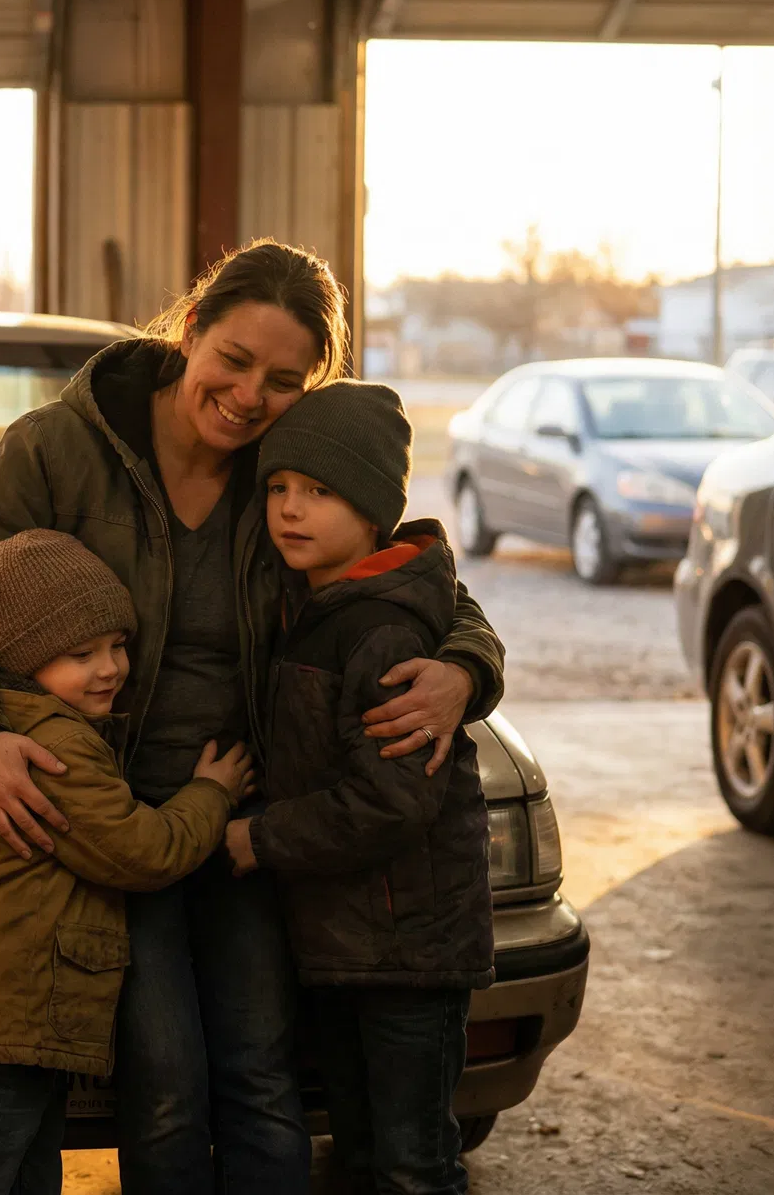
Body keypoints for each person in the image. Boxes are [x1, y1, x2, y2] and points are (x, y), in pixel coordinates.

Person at [0, 239, 506, 1192]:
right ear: (190, 331)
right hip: (115, 822)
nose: (249, 394)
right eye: (234, 359)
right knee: (166, 1082)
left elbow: (407, 575)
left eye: (283, 379)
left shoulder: (292, 465)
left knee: (261, 1078)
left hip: (250, 820)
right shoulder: (63, 448)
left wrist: (467, 667)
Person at [0, 528, 256, 1195]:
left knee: (23, 1177)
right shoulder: (51, 747)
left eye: (117, 645)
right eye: (81, 654)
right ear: (23, 660)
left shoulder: (23, 729)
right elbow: (144, 852)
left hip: (5, 1016)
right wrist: (212, 793)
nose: (110, 668)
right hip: (0, 1018)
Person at [225, 382, 494, 1195]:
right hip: (349, 947)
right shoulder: (310, 604)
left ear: (374, 509)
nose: (290, 511)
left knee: (413, 1165)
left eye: (319, 492)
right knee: (365, 1155)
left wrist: (257, 838)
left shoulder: (381, 631)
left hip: (408, 954)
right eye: (277, 488)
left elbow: (390, 801)